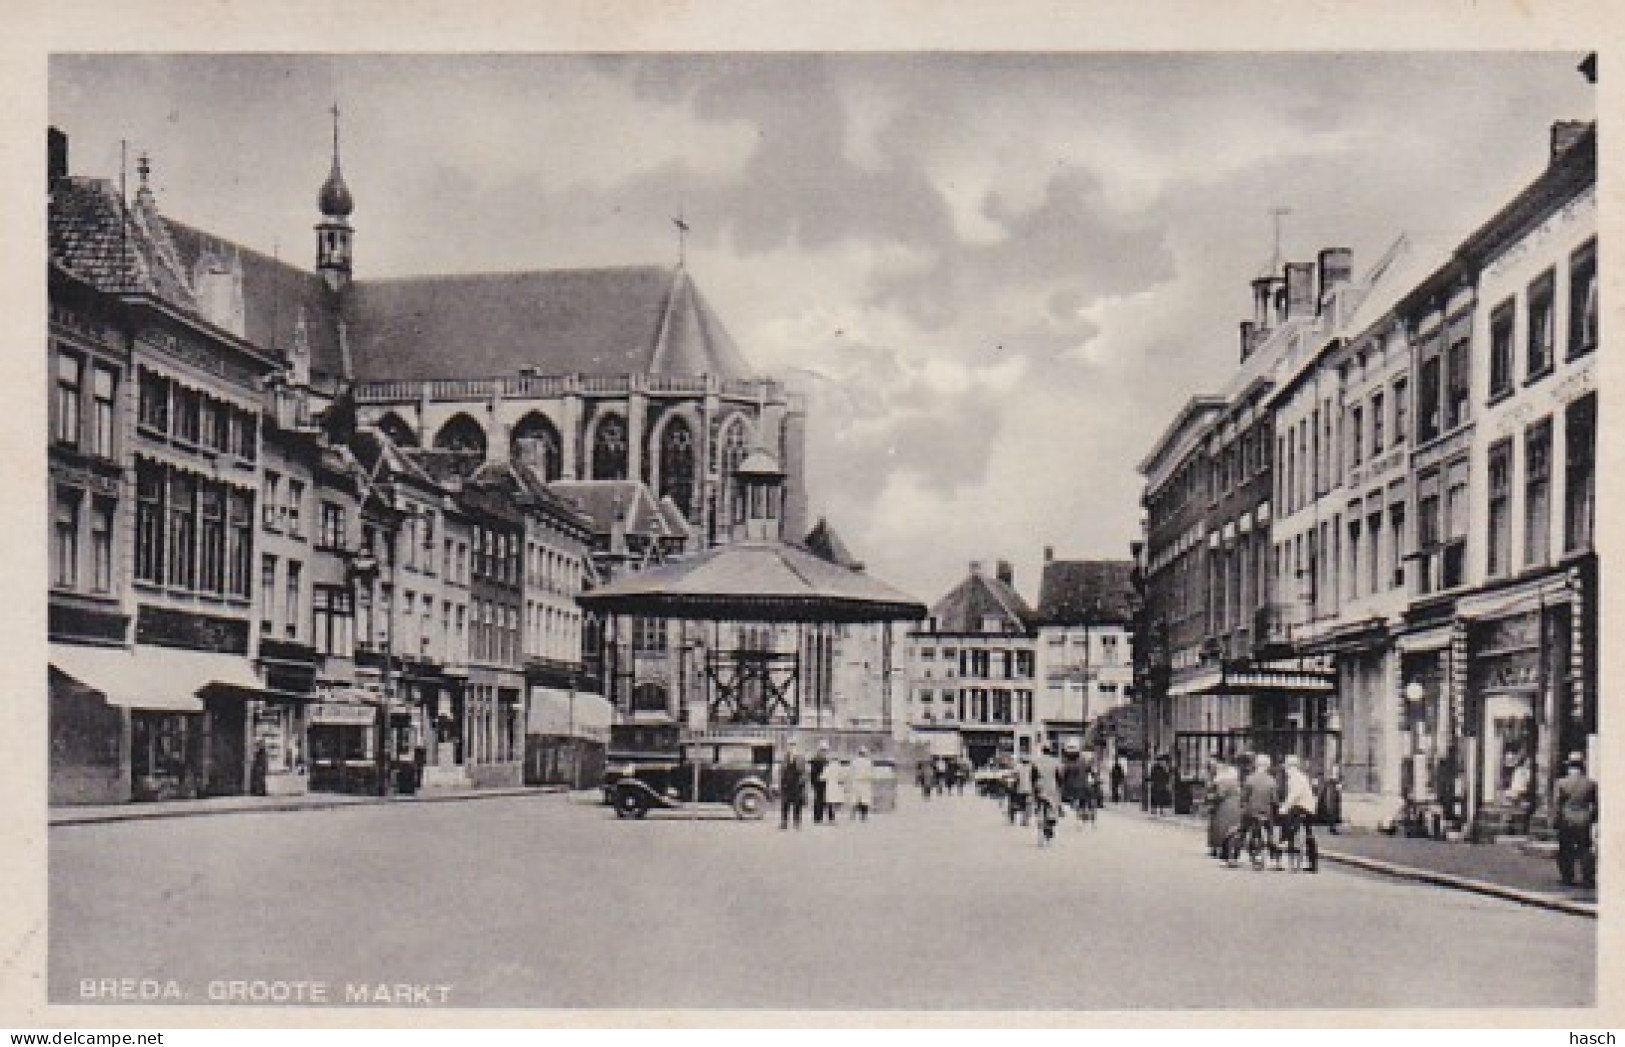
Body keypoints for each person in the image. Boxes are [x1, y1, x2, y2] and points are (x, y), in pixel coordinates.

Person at [1552, 752, 1598, 888]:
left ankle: (1568, 876)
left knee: (1566, 849)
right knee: (1585, 849)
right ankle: (1587, 878)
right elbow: (1596, 804)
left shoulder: (1561, 783)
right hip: (1584, 819)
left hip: (1567, 819)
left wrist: (1555, 821)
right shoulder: (1590, 784)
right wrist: (1592, 818)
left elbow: (1557, 804)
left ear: (1569, 766)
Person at [1277, 755, 1319, 872]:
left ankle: (1285, 840)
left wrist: (1284, 807)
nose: (1285, 769)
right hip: (1306, 807)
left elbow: (1294, 795)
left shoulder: (1296, 778)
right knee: (1308, 834)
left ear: (1291, 767)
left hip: (1303, 807)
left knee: (1288, 820)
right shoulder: (1297, 777)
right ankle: (1312, 863)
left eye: (1286, 766)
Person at [1237, 754, 1280, 868]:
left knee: (1242, 830)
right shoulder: (1272, 781)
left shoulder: (1250, 778)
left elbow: (1244, 797)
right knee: (1271, 832)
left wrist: (1241, 806)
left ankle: (1234, 857)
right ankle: (1274, 860)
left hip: (1251, 812)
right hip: (1266, 812)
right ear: (1268, 766)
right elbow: (1275, 800)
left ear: (1256, 765)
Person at [1207, 762, 1241, 860]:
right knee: (1233, 829)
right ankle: (1231, 849)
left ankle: (1219, 849)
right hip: (1236, 806)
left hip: (1224, 807)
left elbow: (1220, 795)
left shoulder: (1221, 782)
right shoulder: (1236, 783)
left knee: (1219, 829)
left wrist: (1211, 799)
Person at [1031, 744, 1063, 844]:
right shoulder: (1056, 762)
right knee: (1052, 810)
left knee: (1039, 809)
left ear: (1042, 751)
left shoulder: (1036, 762)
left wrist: (1034, 789)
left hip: (1039, 788)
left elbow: (1033, 777)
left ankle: (1040, 832)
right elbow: (1059, 778)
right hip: (1052, 789)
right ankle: (1049, 829)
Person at [779, 738, 808, 830]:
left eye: (793, 745)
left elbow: (804, 772)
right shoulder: (785, 757)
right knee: (785, 805)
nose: (791, 747)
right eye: (790, 745)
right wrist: (781, 782)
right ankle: (784, 823)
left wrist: (802, 782)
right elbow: (781, 770)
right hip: (786, 784)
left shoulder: (801, 758)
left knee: (797, 805)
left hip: (797, 784)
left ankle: (797, 823)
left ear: (796, 747)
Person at [1315, 765, 1344, 835]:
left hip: (1333, 794)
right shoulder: (1329, 783)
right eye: (1335, 771)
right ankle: (1332, 827)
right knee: (1332, 808)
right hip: (1331, 795)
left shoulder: (1333, 782)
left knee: (1334, 809)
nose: (1336, 773)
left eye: (1336, 771)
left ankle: (1332, 826)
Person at [849, 747, 875, 821]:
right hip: (865, 782)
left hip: (856, 782)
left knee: (855, 799)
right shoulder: (868, 762)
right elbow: (871, 773)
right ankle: (863, 816)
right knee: (864, 799)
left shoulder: (854, 761)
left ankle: (853, 815)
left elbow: (851, 772)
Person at [1008, 752, 1034, 826]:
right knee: (1028, 805)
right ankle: (1025, 821)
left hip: (1020, 789)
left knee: (1021, 805)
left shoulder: (1018, 767)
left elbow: (1014, 776)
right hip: (1029, 789)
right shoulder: (1031, 768)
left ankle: (1016, 818)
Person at [810, 740, 833, 823]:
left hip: (823, 782)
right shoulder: (818, 760)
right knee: (820, 800)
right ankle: (818, 817)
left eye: (825, 750)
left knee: (823, 800)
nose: (824, 752)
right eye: (823, 750)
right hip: (819, 782)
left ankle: (820, 817)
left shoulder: (820, 760)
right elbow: (813, 773)